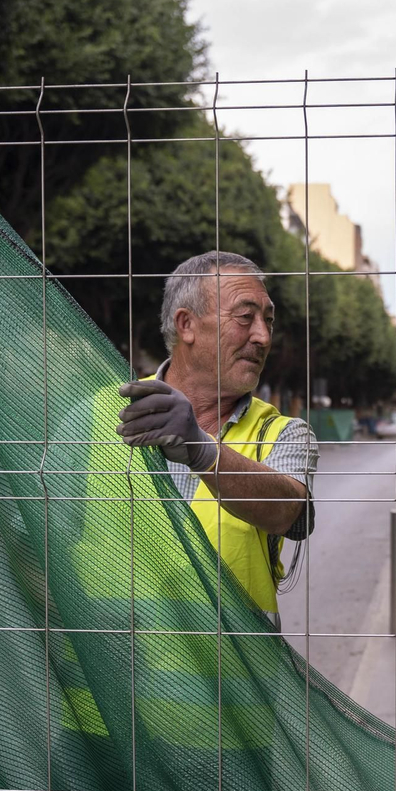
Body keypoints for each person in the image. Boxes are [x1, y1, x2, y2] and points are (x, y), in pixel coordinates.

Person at [115, 250, 316, 618]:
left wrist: (201, 450)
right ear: (186, 325)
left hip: (233, 657)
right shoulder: (103, 412)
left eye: (268, 320)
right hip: (117, 652)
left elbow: (290, 513)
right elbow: (30, 537)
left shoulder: (283, 432)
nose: (263, 336)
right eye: (245, 317)